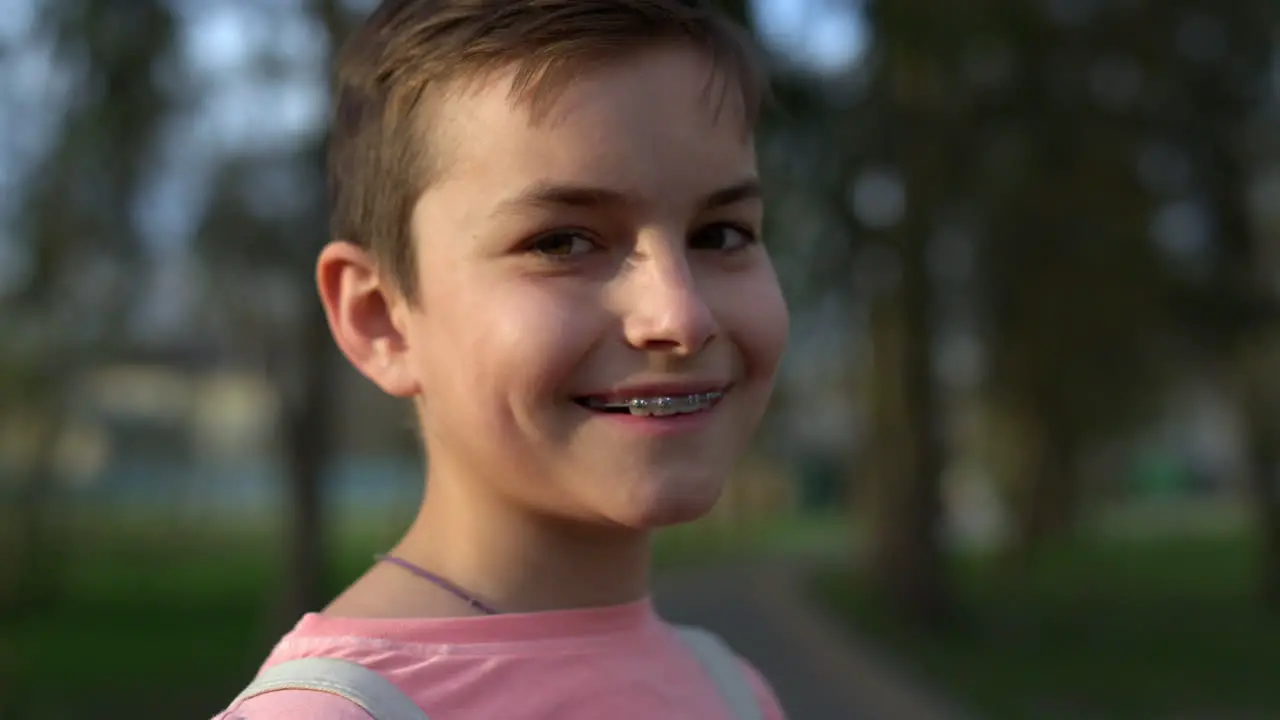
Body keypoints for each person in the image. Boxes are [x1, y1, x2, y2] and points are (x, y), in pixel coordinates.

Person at [213, 0, 790, 716]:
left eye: (721, 235)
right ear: (381, 320)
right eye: (563, 243)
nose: (680, 316)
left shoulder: (733, 691)